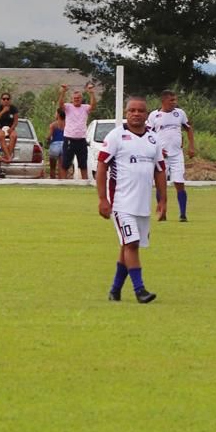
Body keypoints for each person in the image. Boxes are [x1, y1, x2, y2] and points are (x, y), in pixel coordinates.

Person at [96, 95, 167, 303]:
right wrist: (102, 199)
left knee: (127, 246)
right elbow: (102, 167)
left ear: (147, 114)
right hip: (121, 203)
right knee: (132, 243)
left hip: (142, 205)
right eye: (132, 110)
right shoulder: (116, 136)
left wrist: (163, 201)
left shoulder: (153, 138)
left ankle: (115, 290)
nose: (136, 114)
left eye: (140, 111)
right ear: (126, 113)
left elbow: (160, 170)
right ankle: (140, 290)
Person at [145, 90, 196, 221]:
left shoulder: (180, 113)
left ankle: (183, 214)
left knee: (179, 182)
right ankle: (162, 212)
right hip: (161, 156)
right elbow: (148, 135)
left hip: (177, 154)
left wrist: (191, 146)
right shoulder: (154, 116)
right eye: (171, 100)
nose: (175, 102)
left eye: (175, 100)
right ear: (164, 101)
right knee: (160, 185)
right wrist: (156, 149)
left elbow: (189, 128)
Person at [58, 82, 96, 180]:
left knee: (83, 164)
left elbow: (93, 106)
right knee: (65, 163)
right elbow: (60, 104)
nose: (76, 100)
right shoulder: (68, 107)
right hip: (69, 139)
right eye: (75, 98)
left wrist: (91, 93)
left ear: (81, 99)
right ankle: (63, 183)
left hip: (81, 139)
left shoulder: (85, 108)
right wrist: (63, 92)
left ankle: (84, 183)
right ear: (72, 99)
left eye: (78, 98)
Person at [0, 93, 19, 162]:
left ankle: (7, 157)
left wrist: (12, 128)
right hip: (0, 128)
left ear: (10, 100)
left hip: (10, 128)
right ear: (1, 100)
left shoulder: (13, 109)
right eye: (4, 99)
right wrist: (3, 111)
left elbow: (16, 121)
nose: (6, 100)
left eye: (7, 99)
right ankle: (9, 157)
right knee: (0, 136)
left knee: (14, 136)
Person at [47, 108, 66, 179]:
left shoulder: (53, 125)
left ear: (58, 114)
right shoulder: (67, 124)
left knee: (52, 167)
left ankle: (53, 181)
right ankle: (62, 181)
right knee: (61, 166)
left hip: (55, 145)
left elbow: (49, 136)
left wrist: (47, 140)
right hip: (64, 145)